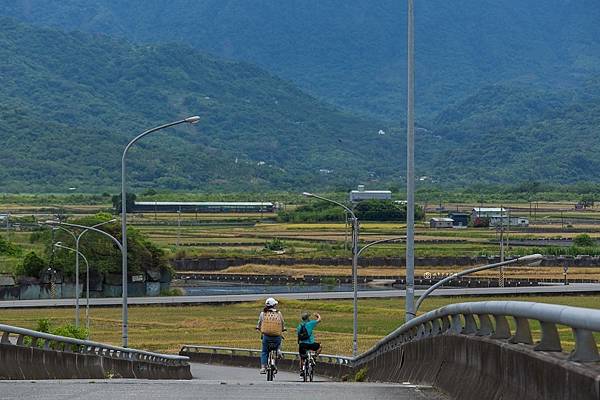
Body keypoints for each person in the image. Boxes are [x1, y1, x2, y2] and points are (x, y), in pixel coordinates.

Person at [256, 297, 285, 374]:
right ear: (274, 305)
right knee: (279, 341)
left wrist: (258, 328)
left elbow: (259, 323)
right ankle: (278, 350)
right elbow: (282, 323)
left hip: (266, 336)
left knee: (265, 351)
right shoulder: (278, 313)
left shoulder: (263, 313)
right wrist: (283, 329)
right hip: (276, 337)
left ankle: (263, 367)